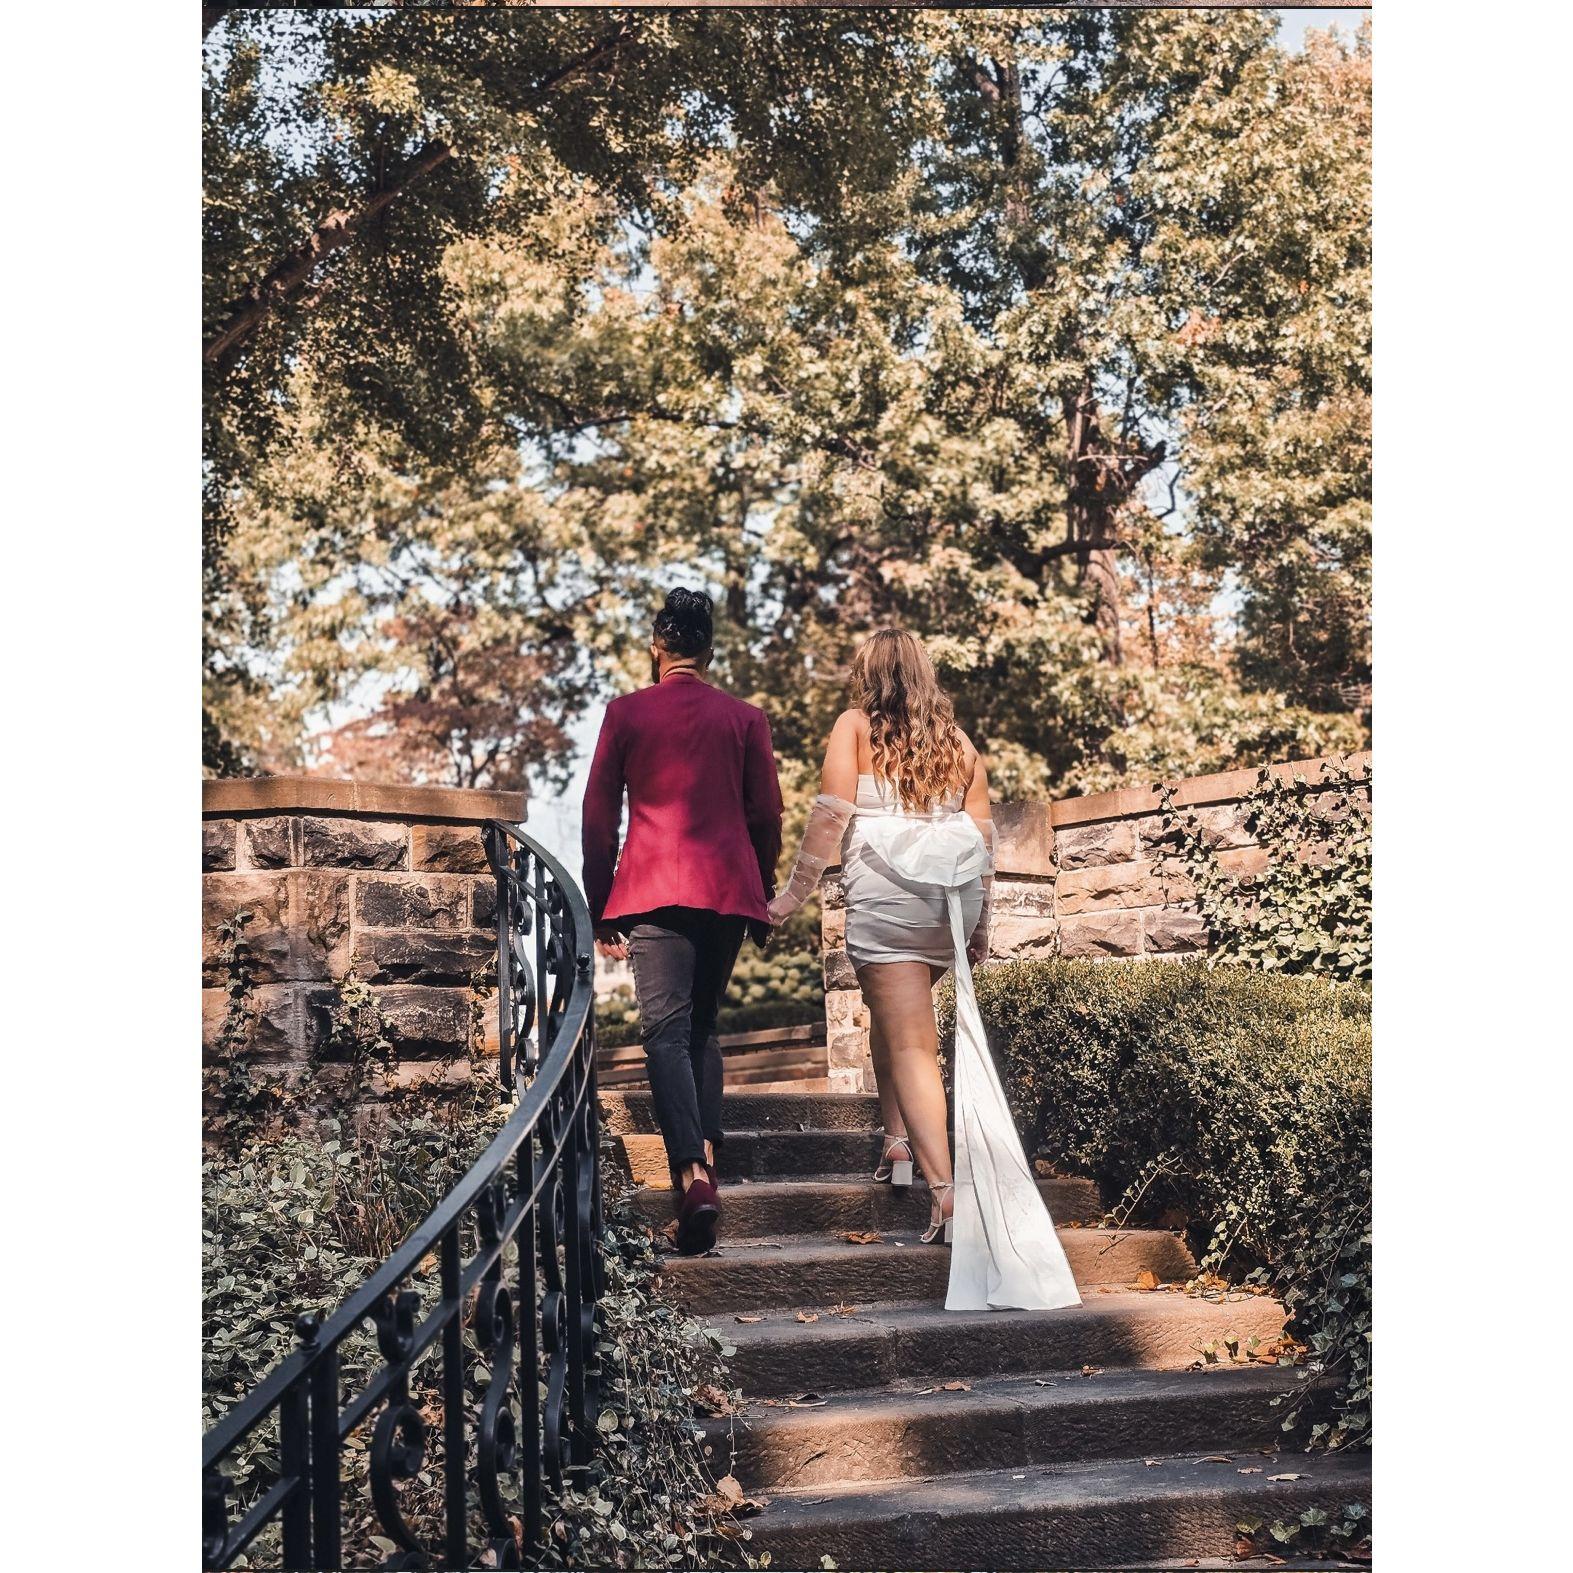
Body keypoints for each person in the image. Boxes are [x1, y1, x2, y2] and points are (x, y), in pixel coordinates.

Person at [766, 629, 1080, 1311]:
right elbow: (984, 845)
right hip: (947, 905)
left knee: (912, 1044)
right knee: (891, 1018)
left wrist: (789, 897)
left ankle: (945, 1194)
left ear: (869, 676)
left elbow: (830, 816)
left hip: (885, 897)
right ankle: (897, 1142)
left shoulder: (854, 727)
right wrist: (979, 929)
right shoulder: (960, 744)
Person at [582, 588, 784, 1255]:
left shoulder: (626, 713)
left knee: (665, 1033)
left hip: (655, 891)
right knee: (702, 1026)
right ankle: (706, 1166)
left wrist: (598, 904)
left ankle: (692, 1174)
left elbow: (597, 818)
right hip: (726, 890)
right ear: (709, 651)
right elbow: (766, 815)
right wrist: (760, 888)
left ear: (656, 648)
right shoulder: (745, 719)